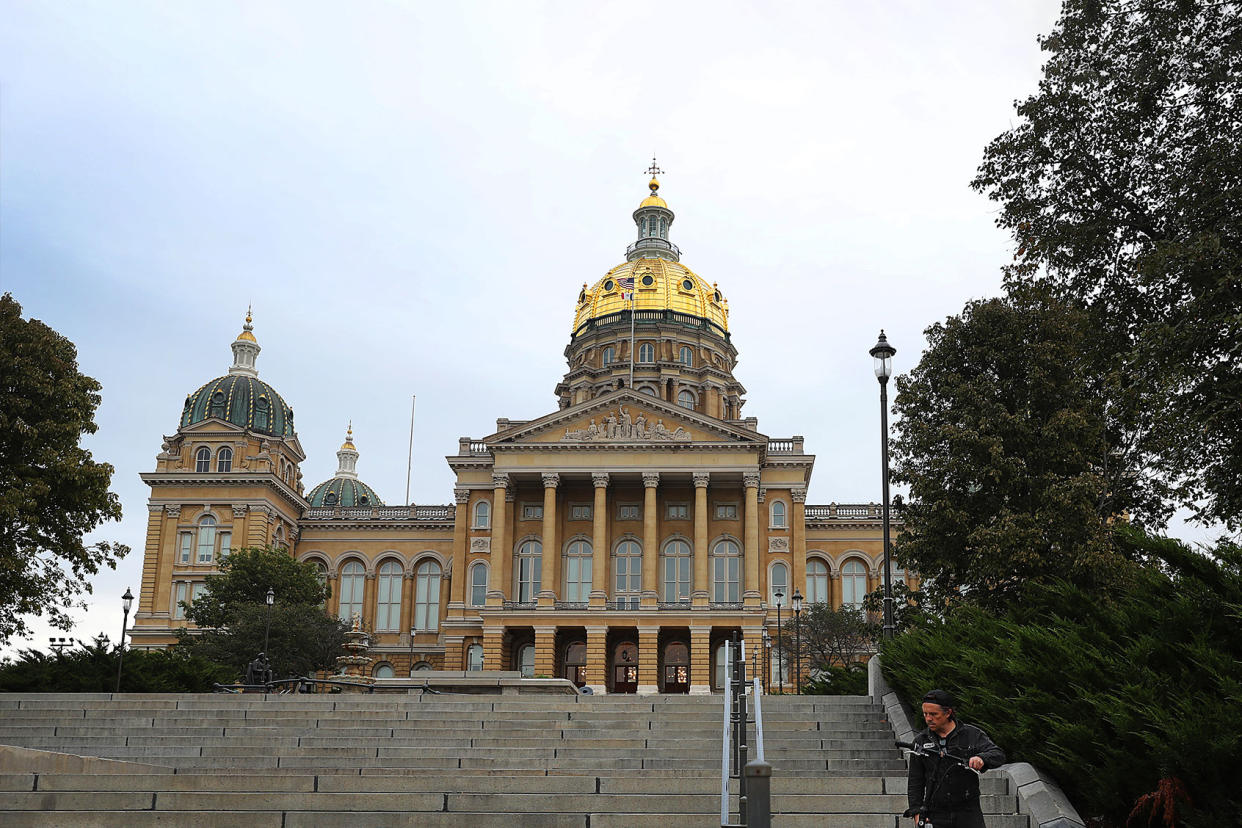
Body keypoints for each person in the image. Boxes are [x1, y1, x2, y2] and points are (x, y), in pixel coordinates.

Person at [904, 688, 1006, 827]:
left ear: (948, 713)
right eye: (925, 714)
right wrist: (916, 812)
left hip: (968, 812)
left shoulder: (971, 734)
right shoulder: (921, 741)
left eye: (934, 714)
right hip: (935, 813)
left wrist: (981, 758)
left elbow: (998, 754)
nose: (928, 718)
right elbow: (915, 781)